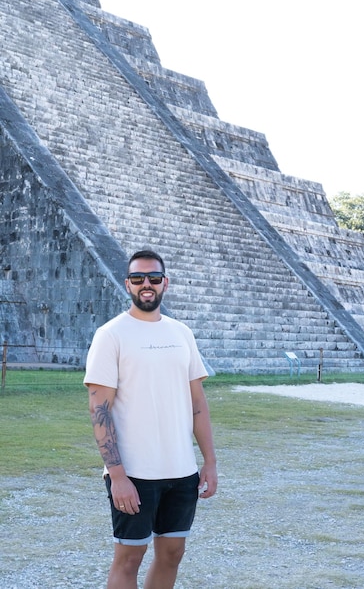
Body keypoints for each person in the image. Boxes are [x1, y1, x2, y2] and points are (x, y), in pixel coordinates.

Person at [84, 249, 217, 589]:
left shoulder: (181, 333)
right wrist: (117, 476)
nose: (147, 284)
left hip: (182, 471)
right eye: (138, 278)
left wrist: (210, 462)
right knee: (128, 558)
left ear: (164, 284)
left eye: (154, 278)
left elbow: (197, 404)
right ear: (127, 284)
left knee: (172, 554)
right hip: (134, 473)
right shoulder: (111, 335)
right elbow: (100, 411)